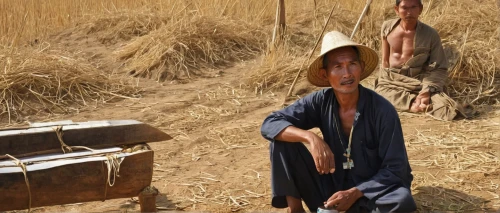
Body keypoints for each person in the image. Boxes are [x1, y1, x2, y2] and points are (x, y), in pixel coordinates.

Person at [261, 31, 416, 213]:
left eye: (352, 64)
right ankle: (296, 210)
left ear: (361, 67)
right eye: (338, 67)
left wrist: (357, 192)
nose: (347, 74)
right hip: (331, 185)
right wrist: (310, 138)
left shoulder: (382, 110)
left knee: (401, 201)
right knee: (280, 142)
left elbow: (396, 169)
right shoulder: (320, 101)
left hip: (369, 191)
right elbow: (270, 123)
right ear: (325, 74)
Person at [375, 0, 470, 121]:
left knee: (446, 108)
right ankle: (413, 104)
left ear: (420, 9)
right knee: (378, 95)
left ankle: (419, 101)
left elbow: (440, 67)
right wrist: (384, 78)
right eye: (404, 8)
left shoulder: (430, 34)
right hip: (392, 80)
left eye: (413, 7)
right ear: (396, 9)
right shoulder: (387, 27)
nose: (409, 12)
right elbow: (385, 61)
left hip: (417, 81)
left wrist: (426, 90)